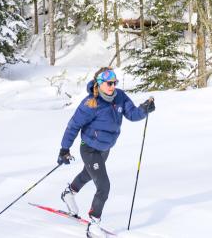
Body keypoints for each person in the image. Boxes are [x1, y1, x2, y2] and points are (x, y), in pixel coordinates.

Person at [58, 67, 155, 237]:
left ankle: (69, 193)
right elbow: (73, 125)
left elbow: (132, 114)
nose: (113, 86)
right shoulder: (90, 103)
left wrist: (144, 109)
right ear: (99, 84)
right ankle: (94, 224)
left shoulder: (120, 96)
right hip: (89, 148)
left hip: (105, 149)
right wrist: (64, 149)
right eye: (109, 83)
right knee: (103, 186)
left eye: (115, 83)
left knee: (88, 174)